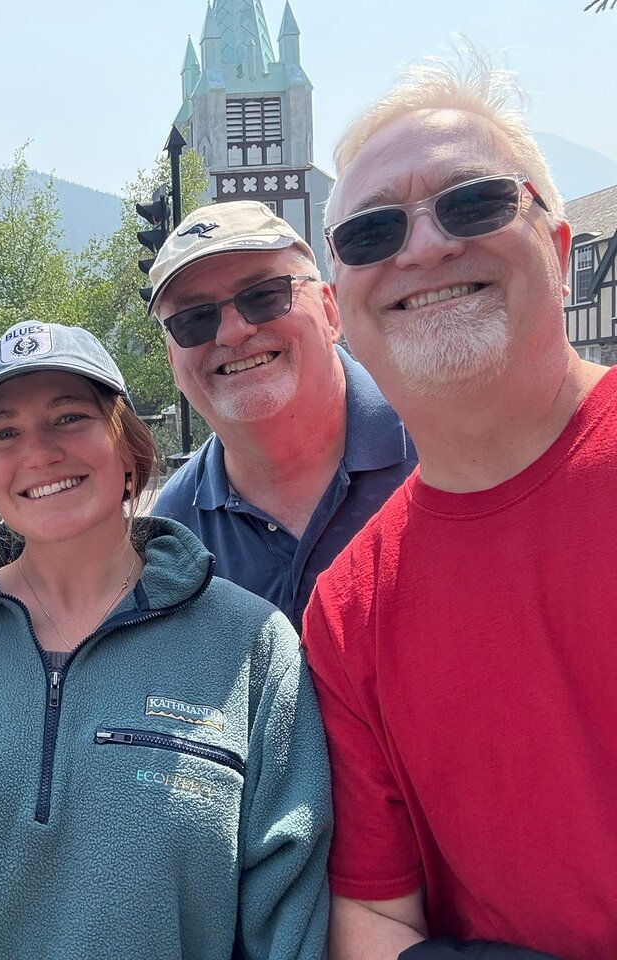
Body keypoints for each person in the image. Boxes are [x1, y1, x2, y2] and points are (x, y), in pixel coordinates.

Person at [0, 321, 332, 960]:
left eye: (69, 418)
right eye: (4, 433)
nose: (39, 452)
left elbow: (290, 924)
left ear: (127, 447)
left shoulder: (252, 648)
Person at [303, 51, 617, 959]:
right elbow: (373, 916)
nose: (424, 246)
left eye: (472, 202)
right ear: (341, 310)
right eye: (370, 233)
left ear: (557, 251)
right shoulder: (349, 609)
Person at [149, 200, 415, 628]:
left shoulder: (448, 447)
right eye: (194, 319)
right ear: (172, 363)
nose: (234, 331)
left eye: (264, 296)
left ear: (330, 310)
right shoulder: (173, 533)